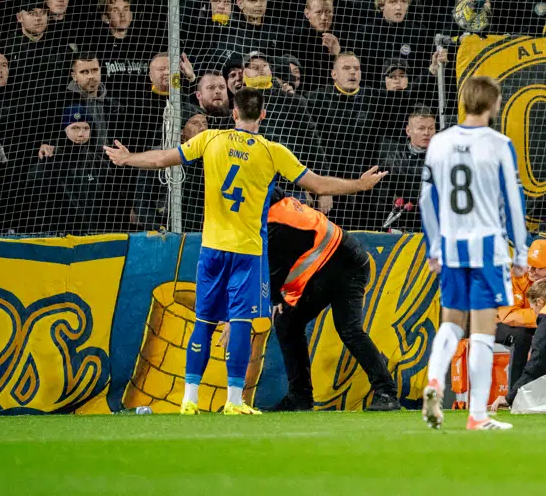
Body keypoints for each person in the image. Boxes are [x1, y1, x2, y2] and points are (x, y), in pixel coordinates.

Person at [102, 88, 387, 415]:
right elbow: (319, 185)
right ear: (262, 115)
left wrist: (127, 158)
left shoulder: (210, 139)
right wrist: (359, 184)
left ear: (233, 113)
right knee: (241, 323)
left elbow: (160, 159)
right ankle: (237, 402)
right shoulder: (273, 152)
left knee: (204, 322)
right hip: (249, 251)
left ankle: (189, 399)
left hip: (217, 247)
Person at [419, 76, 530, 431]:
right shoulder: (498, 144)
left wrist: (434, 247)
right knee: (483, 332)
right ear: (494, 104)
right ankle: (478, 415)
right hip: (487, 248)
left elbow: (427, 199)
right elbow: (513, 201)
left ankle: (434, 379)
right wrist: (521, 251)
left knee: (451, 323)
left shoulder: (439, 142)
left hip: (451, 246)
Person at [264, 195, 400, 413]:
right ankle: (300, 398)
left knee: (349, 329)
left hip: (345, 265)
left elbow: (275, 268)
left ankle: (387, 393)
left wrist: (275, 298)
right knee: (288, 323)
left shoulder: (276, 224)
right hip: (335, 262)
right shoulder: (278, 204)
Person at [496, 238, 546, 390]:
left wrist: (544, 320)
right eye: (529, 264)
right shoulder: (515, 275)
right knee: (521, 336)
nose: (530, 270)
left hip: (540, 322)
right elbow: (508, 314)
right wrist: (543, 316)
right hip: (502, 323)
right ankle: (515, 393)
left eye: (536, 268)